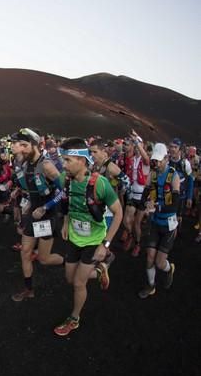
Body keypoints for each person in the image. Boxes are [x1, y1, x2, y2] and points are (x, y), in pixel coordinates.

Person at [52, 138, 123, 337]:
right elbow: (67, 204)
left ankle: (74, 319)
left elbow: (118, 213)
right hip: (75, 238)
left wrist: (105, 244)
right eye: (62, 160)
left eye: (67, 160)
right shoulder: (65, 180)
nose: (63, 165)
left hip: (94, 241)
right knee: (69, 279)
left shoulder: (100, 183)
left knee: (78, 283)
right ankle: (100, 271)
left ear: (82, 160)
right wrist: (66, 223)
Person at [9, 128, 65, 302]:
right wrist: (24, 198)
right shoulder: (27, 164)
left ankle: (70, 261)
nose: (21, 150)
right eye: (17, 146)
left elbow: (64, 191)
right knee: (25, 252)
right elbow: (32, 188)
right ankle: (29, 289)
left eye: (24, 146)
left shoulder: (47, 165)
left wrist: (45, 207)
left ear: (35, 145)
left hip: (46, 217)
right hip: (33, 215)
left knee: (44, 259)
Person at [137, 143, 179, 298]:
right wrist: (144, 205)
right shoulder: (152, 174)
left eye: (160, 160)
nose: (157, 163)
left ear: (166, 158)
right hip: (155, 222)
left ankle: (170, 269)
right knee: (149, 257)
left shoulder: (173, 175)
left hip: (168, 224)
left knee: (160, 263)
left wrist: (156, 207)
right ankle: (151, 285)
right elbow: (144, 195)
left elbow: (174, 205)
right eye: (155, 160)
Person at [120, 130, 150, 256]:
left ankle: (137, 244)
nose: (137, 148)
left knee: (137, 223)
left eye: (139, 146)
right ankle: (131, 236)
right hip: (133, 192)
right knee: (126, 220)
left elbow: (146, 158)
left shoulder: (146, 161)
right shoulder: (133, 159)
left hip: (142, 195)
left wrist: (137, 141)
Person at [167, 138, 194, 228]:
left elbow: (190, 180)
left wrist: (189, 197)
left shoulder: (185, 163)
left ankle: (176, 233)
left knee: (178, 219)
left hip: (180, 197)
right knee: (169, 217)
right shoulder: (166, 162)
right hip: (167, 195)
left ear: (180, 149)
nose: (172, 149)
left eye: (175, 147)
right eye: (171, 147)